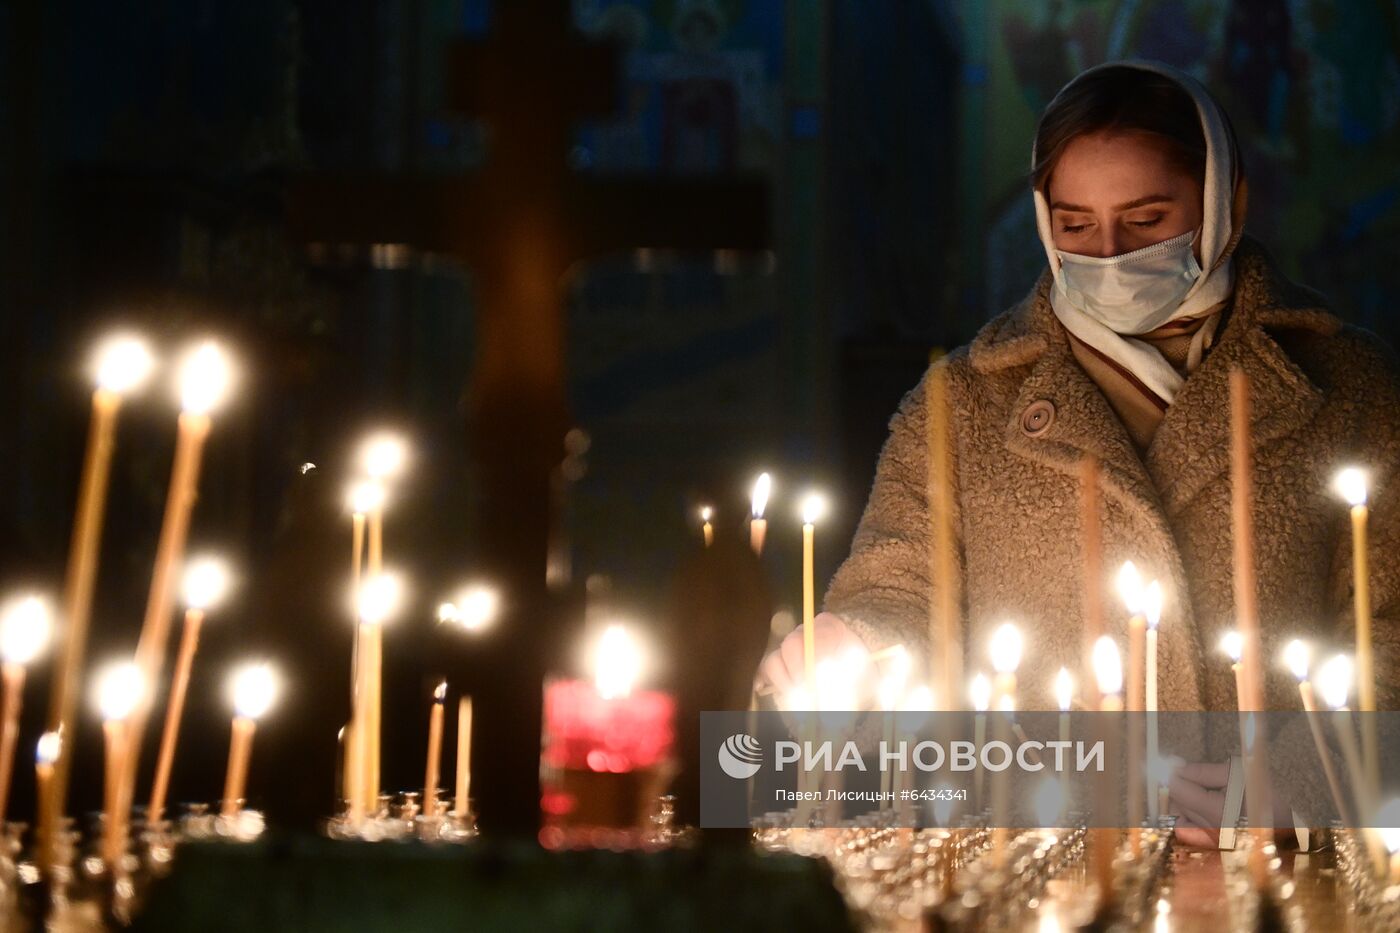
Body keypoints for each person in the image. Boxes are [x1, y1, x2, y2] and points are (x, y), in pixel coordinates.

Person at [755, 60, 1400, 845]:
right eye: (1076, 224)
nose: (1110, 254)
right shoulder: (964, 400)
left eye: (1146, 219)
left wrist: (1304, 781)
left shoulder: (1352, 386)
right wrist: (860, 638)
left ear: (1225, 199)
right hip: (1039, 852)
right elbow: (904, 592)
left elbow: (1389, 628)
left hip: (1293, 861)